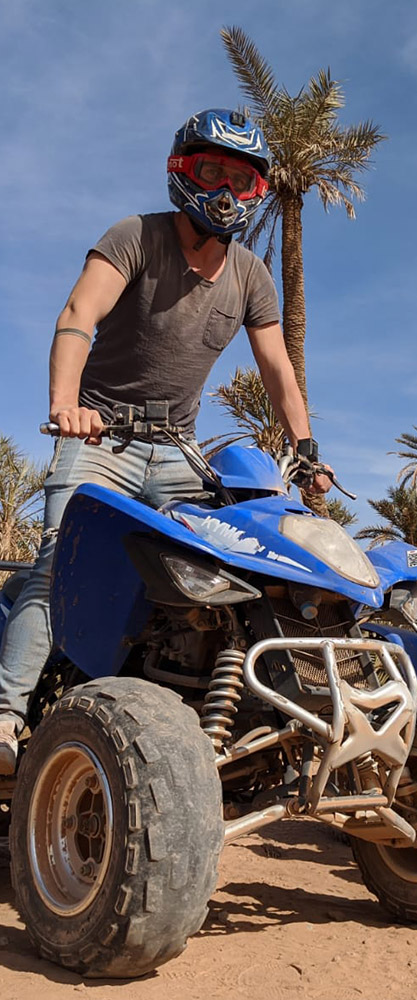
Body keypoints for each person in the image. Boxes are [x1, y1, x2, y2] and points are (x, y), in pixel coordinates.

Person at [0, 108, 330, 774]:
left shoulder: (252, 277)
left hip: (179, 452)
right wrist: (66, 406)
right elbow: (78, 314)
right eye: (214, 171)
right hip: (103, 437)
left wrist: (307, 450)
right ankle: (6, 716)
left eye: (242, 179)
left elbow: (277, 370)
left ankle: (249, 725)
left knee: (239, 567)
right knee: (58, 565)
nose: (228, 191)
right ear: (183, 172)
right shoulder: (136, 236)